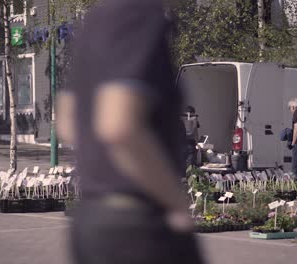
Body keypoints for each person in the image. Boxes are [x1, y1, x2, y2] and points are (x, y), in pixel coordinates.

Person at [58, 0, 203, 263]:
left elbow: (67, 119)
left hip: (94, 219)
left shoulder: (94, 20)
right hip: (138, 224)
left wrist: (101, 166)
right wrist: (174, 200)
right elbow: (119, 126)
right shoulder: (137, 15)